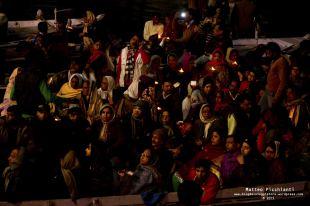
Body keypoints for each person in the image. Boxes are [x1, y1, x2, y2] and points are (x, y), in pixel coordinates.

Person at [258, 42, 289, 112]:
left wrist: (276, 98)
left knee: (270, 115)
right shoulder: (273, 60)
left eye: (268, 51)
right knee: (262, 111)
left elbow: (282, 82)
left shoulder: (281, 61)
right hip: (269, 91)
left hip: (274, 94)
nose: (267, 53)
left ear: (274, 52)